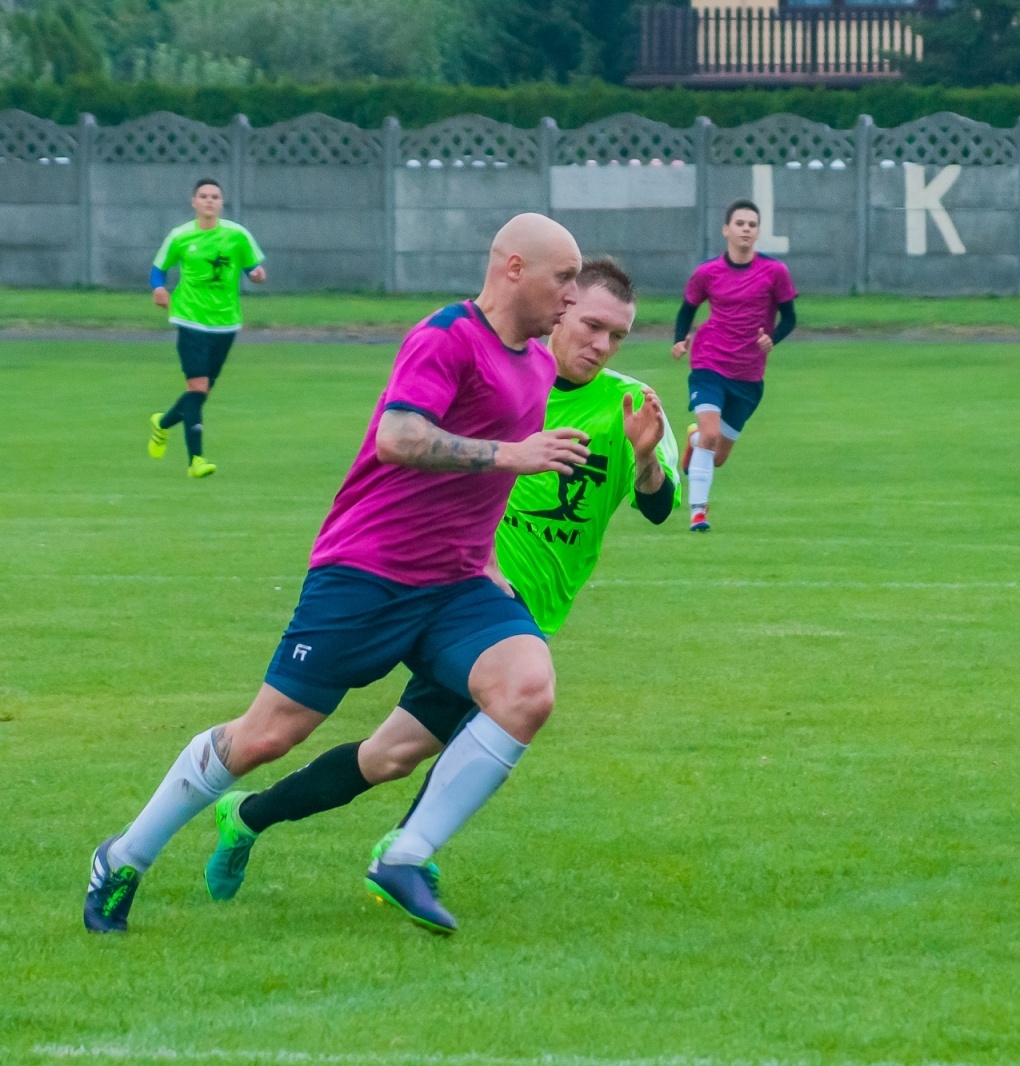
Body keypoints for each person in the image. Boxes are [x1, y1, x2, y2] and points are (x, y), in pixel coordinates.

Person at [85, 213, 588, 936]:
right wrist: (512, 455)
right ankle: (124, 856)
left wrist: (488, 561)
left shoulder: (537, 363)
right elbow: (398, 436)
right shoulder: (447, 337)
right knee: (264, 738)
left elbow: (486, 485)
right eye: (563, 277)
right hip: (367, 573)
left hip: (452, 586)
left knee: (527, 687)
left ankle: (404, 856)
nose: (572, 297)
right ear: (513, 268)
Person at [200, 259, 679, 921]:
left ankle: (247, 817)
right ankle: (407, 856)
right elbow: (410, 443)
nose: (601, 345)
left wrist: (647, 458)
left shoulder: (631, 404)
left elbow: (659, 507)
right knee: (393, 739)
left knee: (388, 756)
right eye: (591, 325)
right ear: (557, 307)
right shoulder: (501, 377)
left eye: (618, 336)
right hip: (450, 598)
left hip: (516, 618)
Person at [671, 198, 797, 532]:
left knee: (718, 455)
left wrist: (773, 338)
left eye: (752, 225)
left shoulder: (774, 273)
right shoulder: (707, 272)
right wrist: (680, 339)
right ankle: (698, 512)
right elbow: (688, 308)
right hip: (709, 362)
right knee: (712, 432)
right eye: (740, 223)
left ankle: (696, 441)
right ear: (727, 229)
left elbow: (790, 317)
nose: (746, 229)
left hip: (749, 374)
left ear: (757, 233)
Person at [146, 178, 268, 479]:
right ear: (194, 202)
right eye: (203, 196)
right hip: (189, 318)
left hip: (225, 322)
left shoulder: (237, 235)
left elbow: (252, 267)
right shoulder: (180, 236)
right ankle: (196, 460)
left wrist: (256, 274)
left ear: (221, 202)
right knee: (197, 388)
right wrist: (159, 288)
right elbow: (158, 269)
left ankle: (162, 424)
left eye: (214, 196)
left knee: (200, 393)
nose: (209, 201)